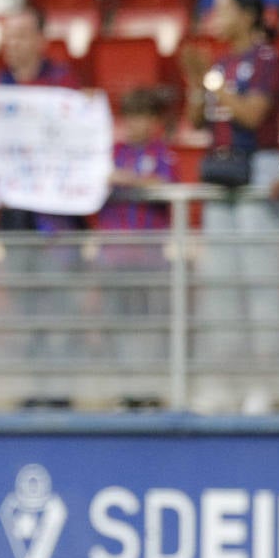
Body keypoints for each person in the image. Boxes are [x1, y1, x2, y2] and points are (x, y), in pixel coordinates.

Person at [0, 7, 86, 375]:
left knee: (61, 301)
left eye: (21, 35)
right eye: (8, 36)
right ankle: (36, 385)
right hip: (15, 213)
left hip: (58, 216)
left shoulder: (65, 84)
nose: (12, 44)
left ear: (41, 41)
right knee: (24, 300)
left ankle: (61, 386)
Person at [180, 0, 279, 373]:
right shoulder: (221, 63)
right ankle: (227, 371)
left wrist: (213, 86)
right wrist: (197, 83)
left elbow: (252, 116)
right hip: (220, 173)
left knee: (258, 274)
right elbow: (197, 122)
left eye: (223, 9)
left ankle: (267, 372)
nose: (214, 16)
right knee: (221, 277)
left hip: (257, 169)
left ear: (248, 15)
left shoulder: (267, 60)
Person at [98, 88, 177, 371]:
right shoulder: (112, 153)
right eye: (130, 117)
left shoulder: (162, 154)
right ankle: (125, 385)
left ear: (154, 120)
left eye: (142, 117)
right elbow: (94, 182)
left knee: (150, 321)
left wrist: (130, 180)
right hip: (115, 255)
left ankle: (150, 384)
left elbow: (166, 184)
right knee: (117, 321)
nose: (135, 124)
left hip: (150, 257)